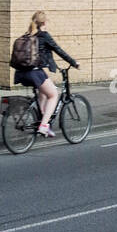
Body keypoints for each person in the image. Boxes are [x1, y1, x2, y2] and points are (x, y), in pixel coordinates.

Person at [13, 10, 78, 138]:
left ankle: (43, 120)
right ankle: (43, 126)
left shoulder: (27, 35)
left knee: (43, 94)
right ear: (44, 22)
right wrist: (74, 63)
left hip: (21, 72)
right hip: (35, 73)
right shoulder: (44, 35)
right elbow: (59, 50)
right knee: (54, 94)